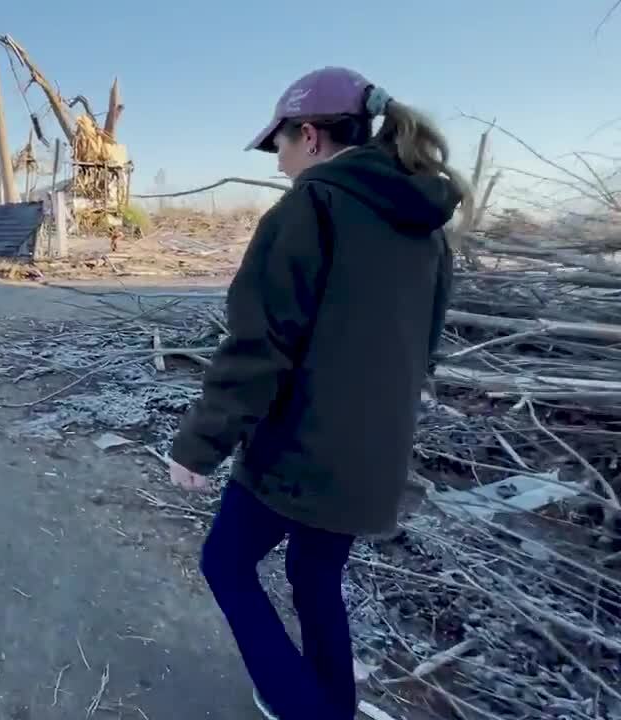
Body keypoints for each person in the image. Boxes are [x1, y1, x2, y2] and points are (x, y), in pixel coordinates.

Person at [167, 67, 470, 720]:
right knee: (314, 577)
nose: (278, 165)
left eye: (278, 146)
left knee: (225, 563)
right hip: (375, 459)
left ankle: (302, 707)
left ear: (310, 136)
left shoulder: (312, 206)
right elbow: (427, 347)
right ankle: (332, 704)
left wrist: (199, 445)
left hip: (299, 451)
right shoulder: (427, 227)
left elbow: (260, 344)